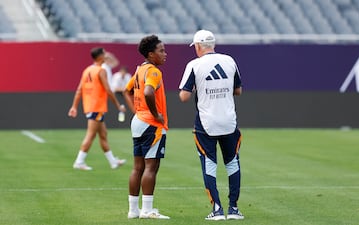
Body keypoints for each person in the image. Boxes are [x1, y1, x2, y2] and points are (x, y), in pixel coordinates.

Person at [178, 30, 244, 221]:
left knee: (209, 165)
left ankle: (217, 210)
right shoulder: (229, 61)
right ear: (213, 44)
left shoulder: (194, 64)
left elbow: (184, 96)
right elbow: (238, 91)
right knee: (232, 164)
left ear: (198, 46)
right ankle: (233, 209)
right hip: (229, 121)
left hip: (206, 123)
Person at [123, 35, 169, 219]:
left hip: (138, 121)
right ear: (151, 54)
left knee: (137, 167)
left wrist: (136, 109)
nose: (165, 54)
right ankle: (147, 210)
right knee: (152, 166)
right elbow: (149, 92)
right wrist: (156, 114)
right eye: (161, 51)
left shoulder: (139, 70)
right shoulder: (153, 71)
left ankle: (133, 210)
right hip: (151, 123)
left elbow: (127, 90)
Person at [68, 47, 126, 171]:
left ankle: (113, 162)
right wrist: (118, 105)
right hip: (96, 107)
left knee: (103, 134)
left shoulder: (87, 70)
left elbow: (79, 89)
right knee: (90, 135)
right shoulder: (101, 71)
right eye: (104, 53)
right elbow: (108, 90)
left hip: (90, 106)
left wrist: (74, 106)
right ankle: (79, 161)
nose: (106, 55)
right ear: (100, 56)